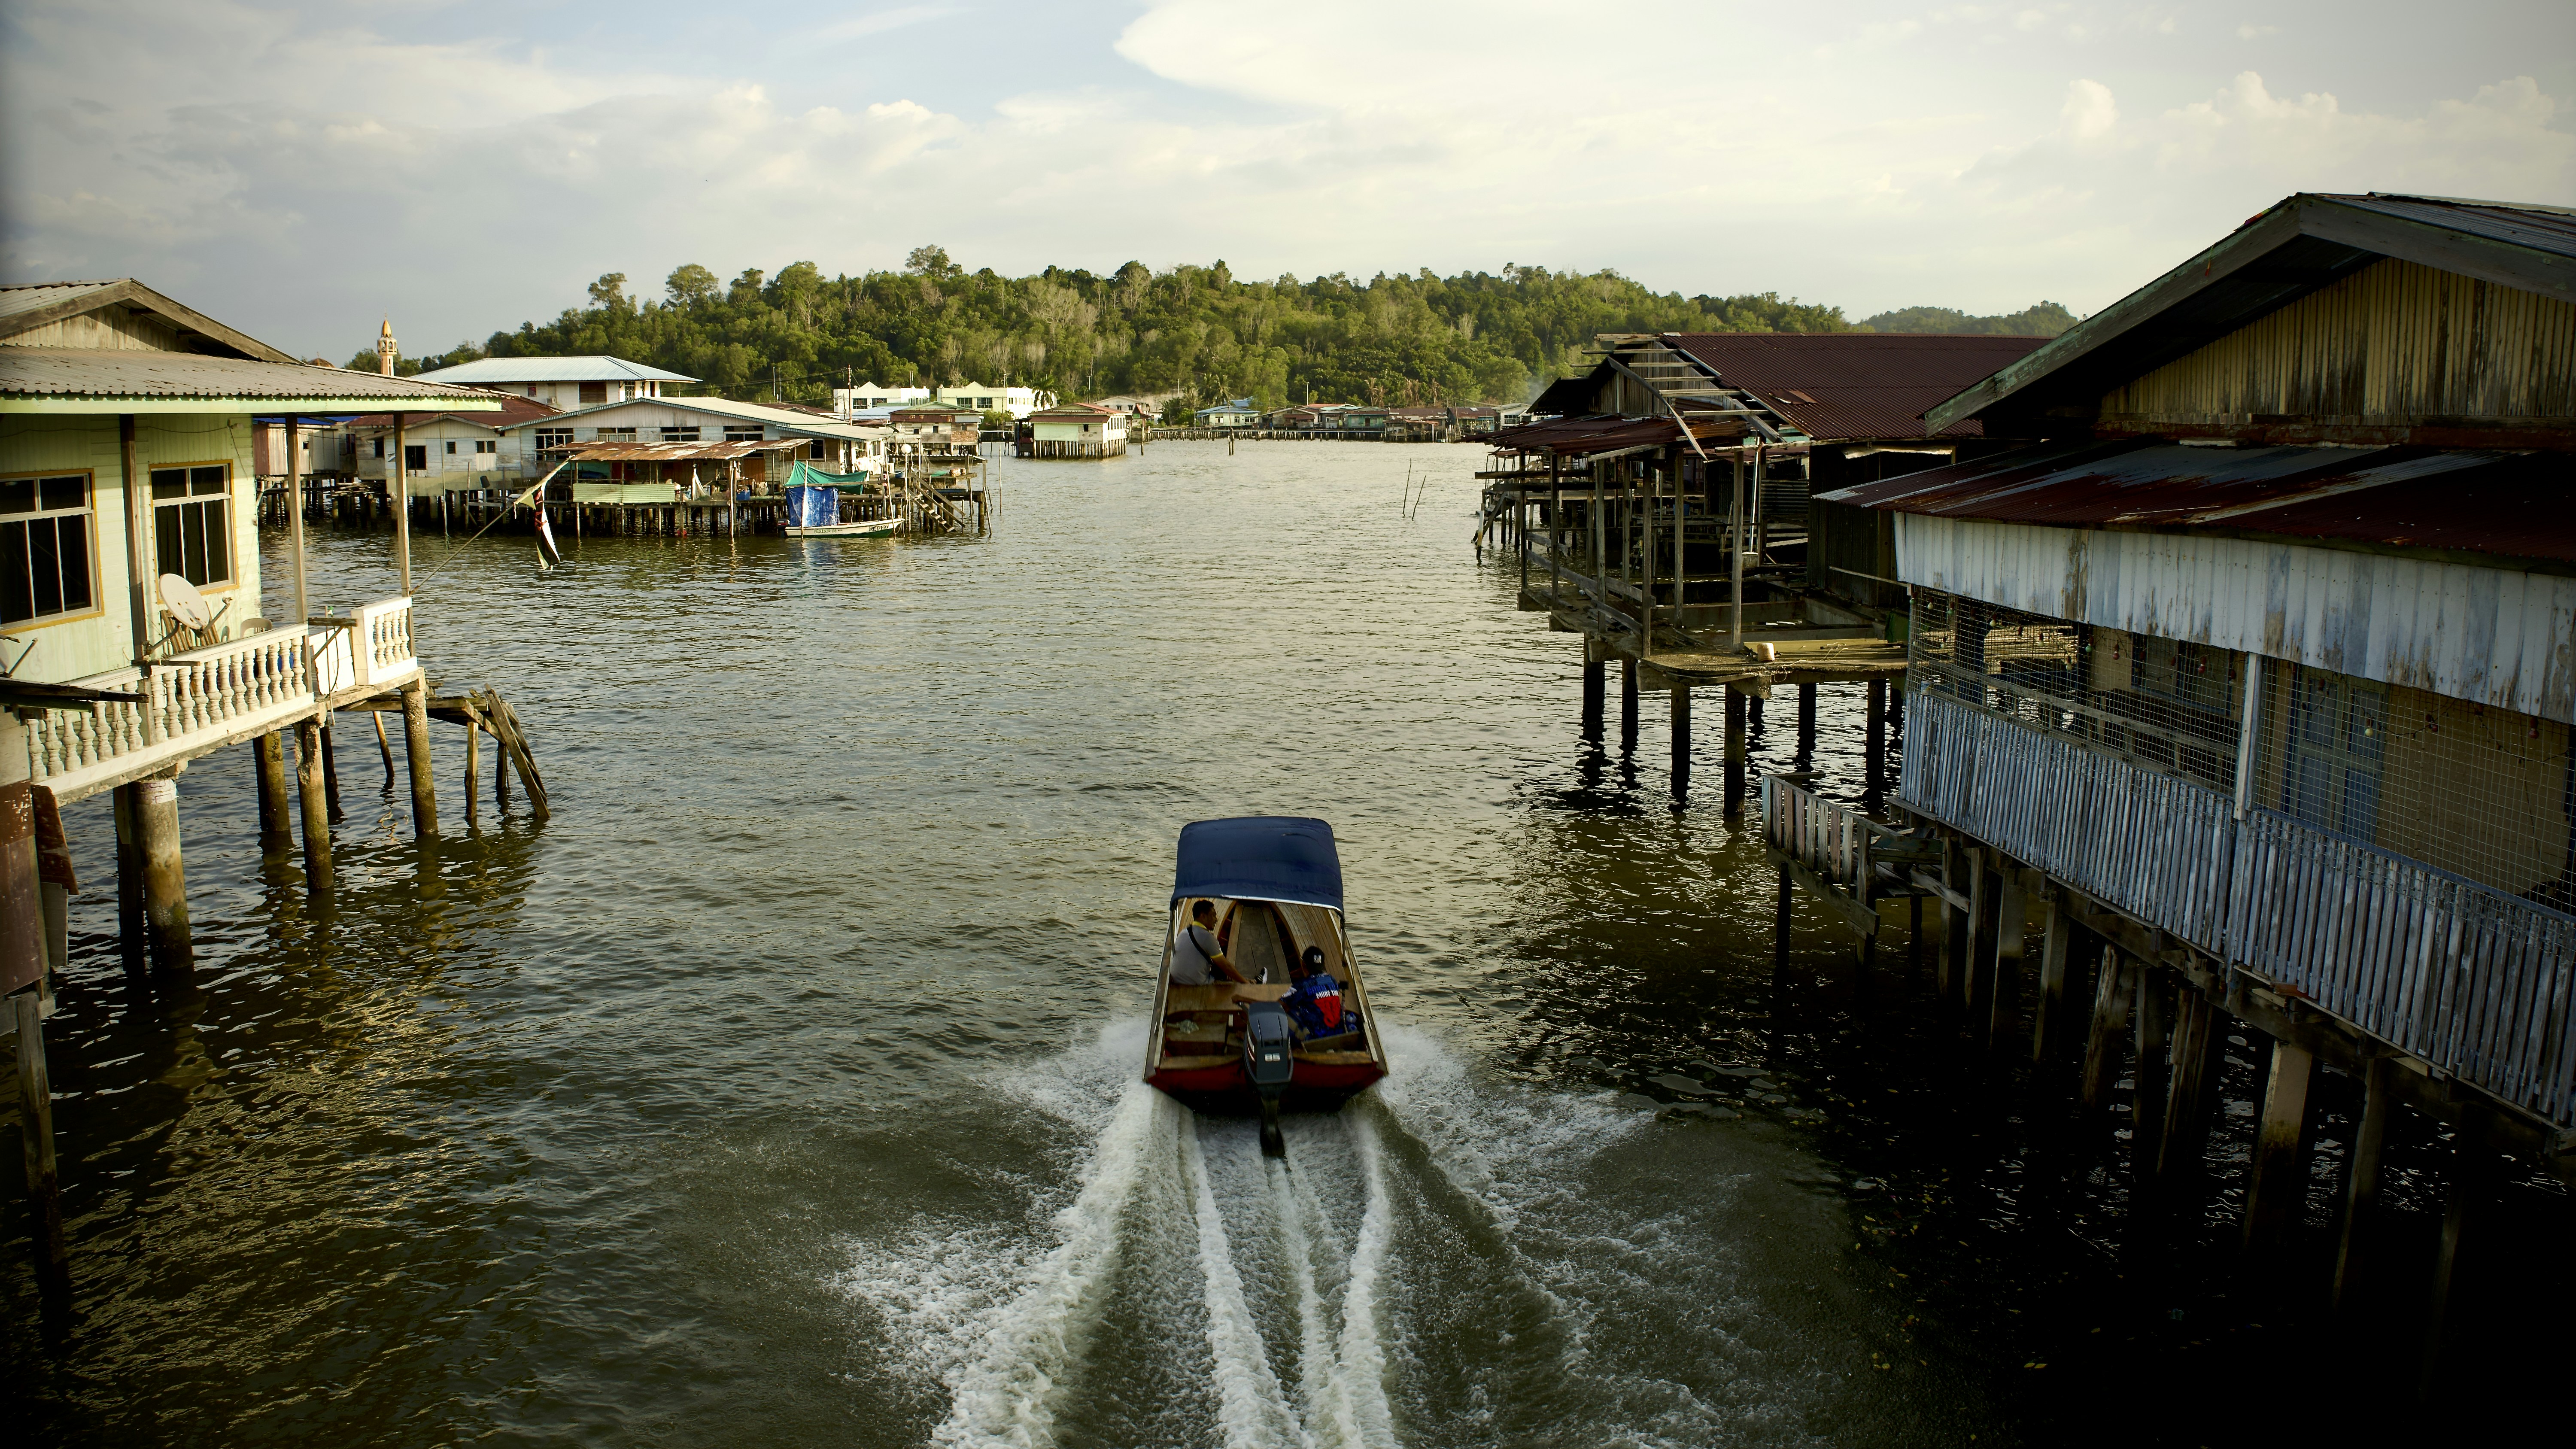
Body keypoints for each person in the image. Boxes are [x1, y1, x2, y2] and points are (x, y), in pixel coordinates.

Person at [1170, 900, 1246, 985]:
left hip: (1177, 982)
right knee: (1233, 985)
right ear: (1203, 916)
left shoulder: (1183, 933)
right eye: (1213, 916)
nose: (1216, 920)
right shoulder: (1208, 938)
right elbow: (1227, 967)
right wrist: (1245, 982)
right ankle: (1251, 982)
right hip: (1197, 985)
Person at [1283, 946, 1352, 1038]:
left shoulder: (1303, 985)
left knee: (1286, 1014)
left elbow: (1282, 1004)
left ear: (1304, 965)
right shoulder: (1332, 980)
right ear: (1323, 964)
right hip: (1337, 1032)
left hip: (1317, 1035)